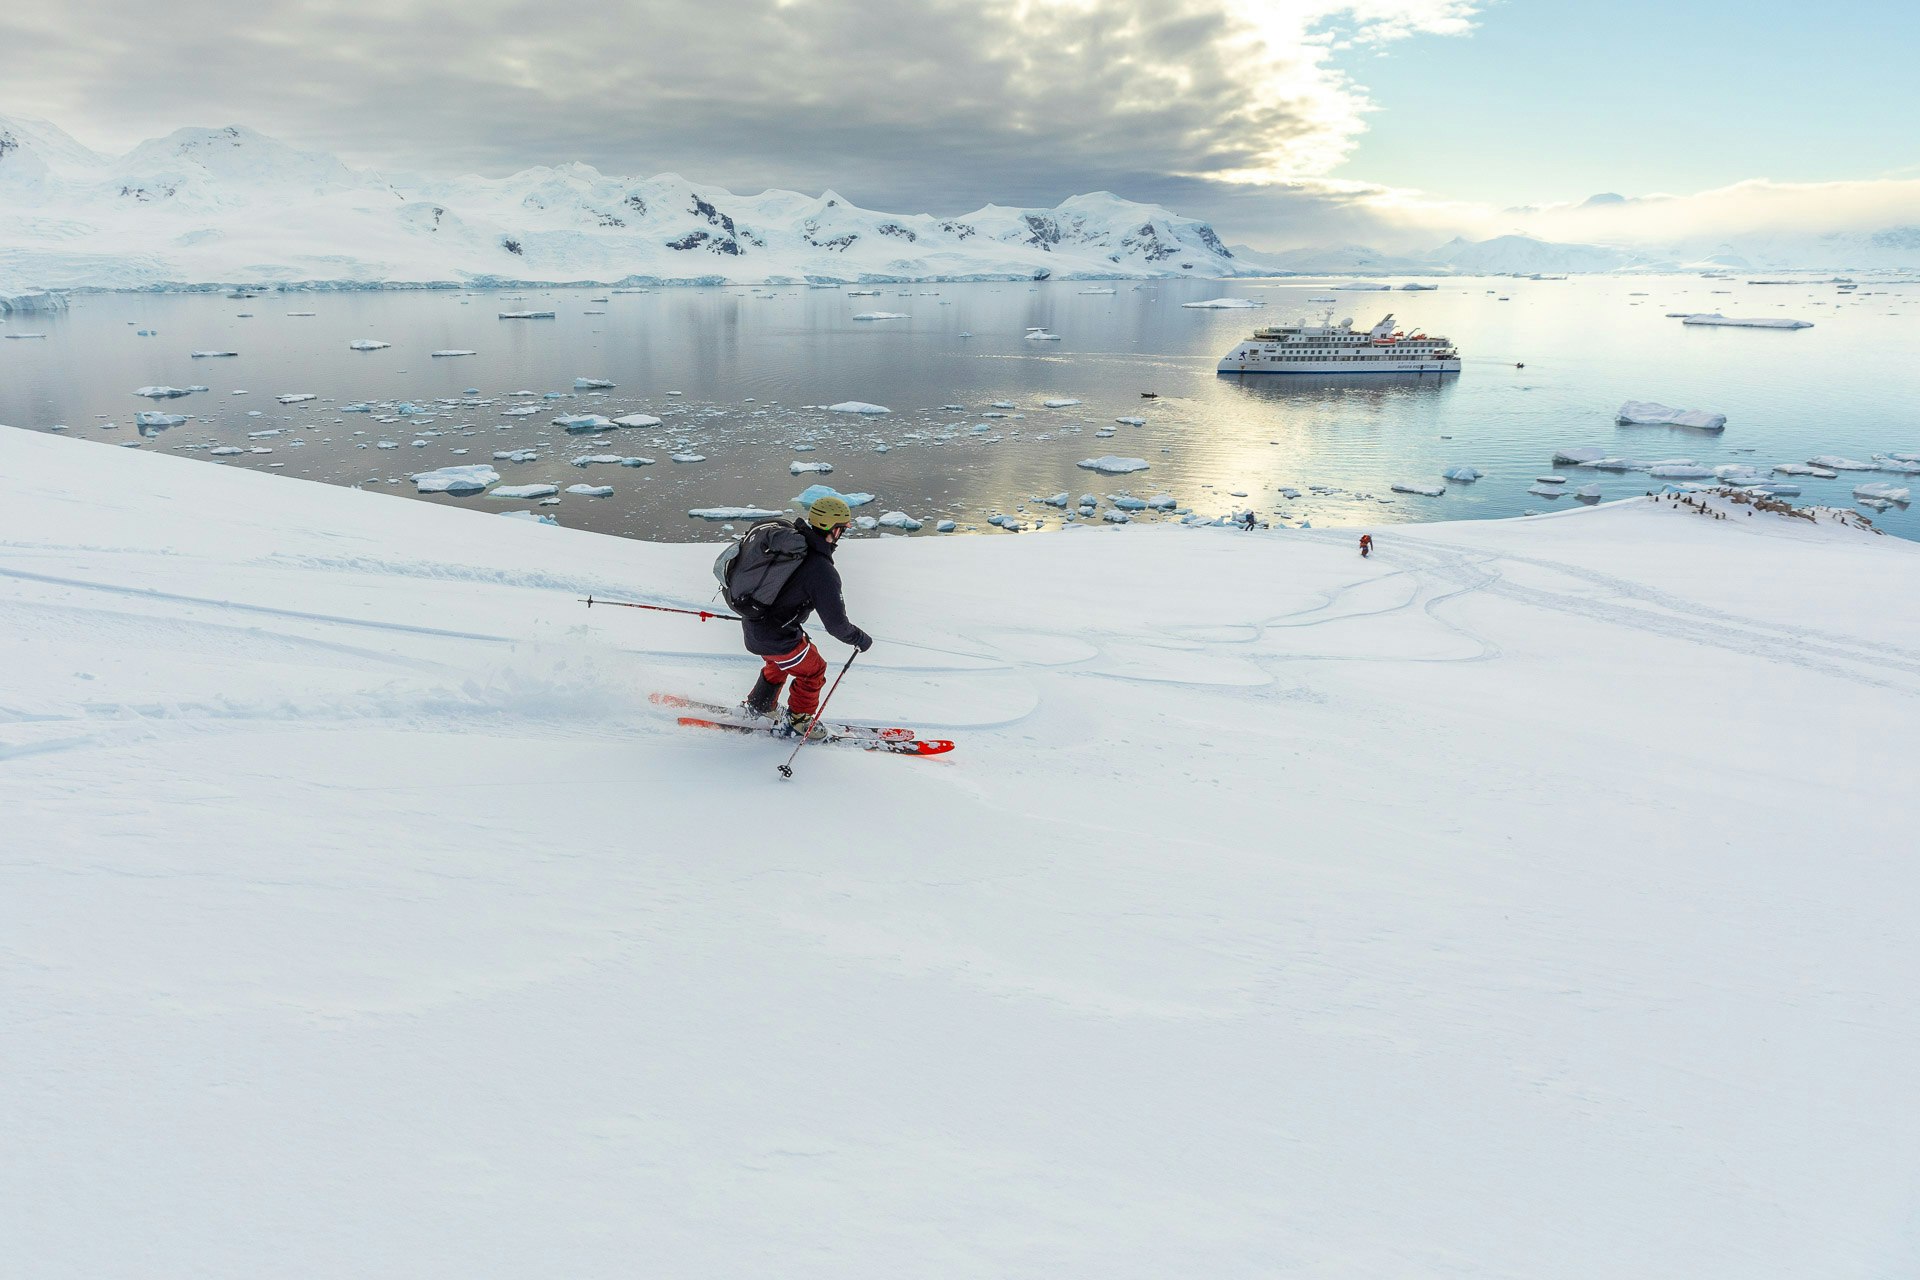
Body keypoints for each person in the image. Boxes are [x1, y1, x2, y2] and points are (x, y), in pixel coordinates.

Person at [740, 495, 873, 734]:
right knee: (814, 669)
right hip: (776, 637)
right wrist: (859, 638)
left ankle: (760, 705)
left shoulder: (795, 547)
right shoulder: (821, 571)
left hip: (754, 627)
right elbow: (836, 625)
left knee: (781, 663)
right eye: (843, 529)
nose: (842, 534)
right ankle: (798, 722)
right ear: (833, 529)